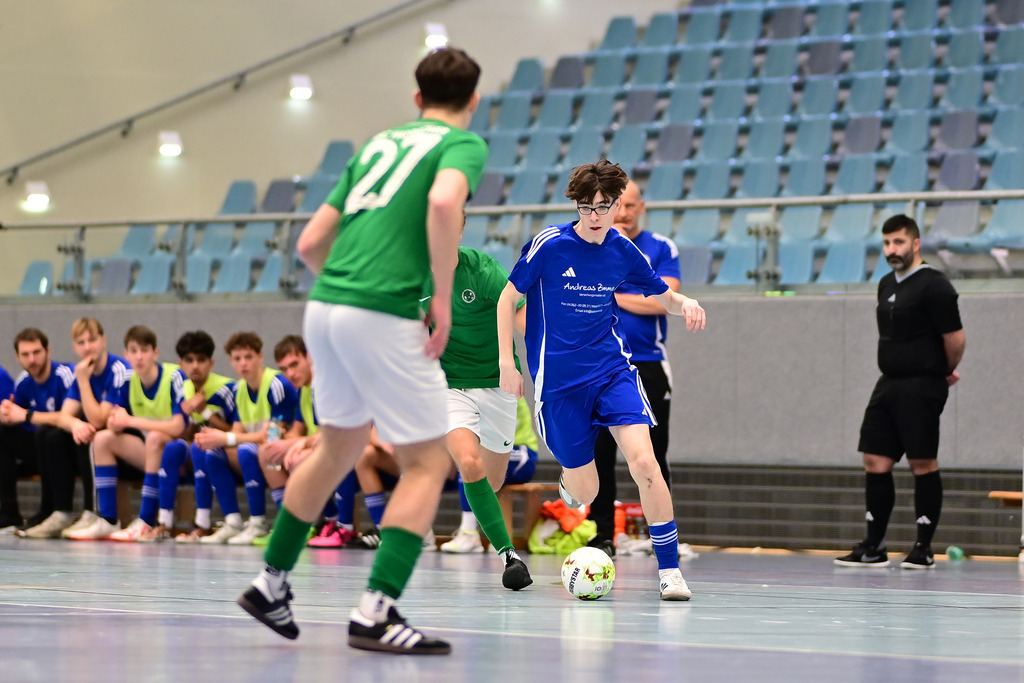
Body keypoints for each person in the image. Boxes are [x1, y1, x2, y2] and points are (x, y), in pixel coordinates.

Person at [237, 46, 487, 655]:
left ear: (415, 96)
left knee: (337, 448)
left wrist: (345, 302)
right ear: (474, 101)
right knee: (429, 463)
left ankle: (270, 583)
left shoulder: (379, 143)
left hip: (324, 306)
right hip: (381, 311)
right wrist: (441, 300)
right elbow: (443, 202)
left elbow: (311, 242)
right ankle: (376, 612)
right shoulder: (462, 145)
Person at [496, 159, 705, 601]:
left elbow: (660, 294)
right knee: (587, 488)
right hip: (558, 385)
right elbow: (507, 299)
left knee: (645, 463)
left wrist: (684, 301)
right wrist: (507, 364)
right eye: (586, 207)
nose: (594, 217)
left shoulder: (623, 250)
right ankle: (571, 486)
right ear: (575, 204)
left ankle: (669, 573)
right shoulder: (549, 245)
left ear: (616, 206)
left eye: (603, 207)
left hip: (612, 371)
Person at [835, 214, 965, 570]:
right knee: (875, 460)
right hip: (889, 382)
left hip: (922, 384)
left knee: (922, 463)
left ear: (916, 244)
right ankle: (874, 546)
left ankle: (923, 547)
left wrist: (942, 371)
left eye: (899, 243)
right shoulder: (885, 284)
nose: (892, 250)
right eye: (887, 243)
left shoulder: (935, 285)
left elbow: (955, 339)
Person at [421, 235, 533, 588]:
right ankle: (509, 555)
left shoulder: (483, 270)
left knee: (491, 480)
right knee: (468, 463)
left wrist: (548, 360)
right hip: (451, 386)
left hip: (496, 386)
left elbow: (519, 314)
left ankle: (484, 529)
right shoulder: (415, 278)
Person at [586, 179, 682, 557]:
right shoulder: (591, 247)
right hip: (601, 365)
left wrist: (615, 296)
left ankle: (660, 535)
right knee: (599, 451)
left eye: (629, 206)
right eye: (615, 205)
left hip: (647, 362)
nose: (622, 213)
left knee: (653, 453)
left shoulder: (660, 247)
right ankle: (603, 533)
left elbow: (665, 299)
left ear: (641, 207)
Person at [68, 325, 187, 541]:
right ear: (126, 355)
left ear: (155, 353)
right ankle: (108, 520)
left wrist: (129, 420)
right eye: (133, 351)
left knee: (155, 437)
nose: (139, 357)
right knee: (102, 439)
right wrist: (115, 423)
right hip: (150, 454)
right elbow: (112, 419)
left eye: (144, 350)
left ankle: (146, 520)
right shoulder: (126, 380)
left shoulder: (173, 376)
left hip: (179, 456)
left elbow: (179, 427)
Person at [15, 319, 128, 538]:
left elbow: (98, 420)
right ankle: (61, 512)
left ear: (103, 340)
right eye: (81, 342)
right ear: (75, 347)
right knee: (53, 435)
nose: (87, 347)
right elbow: (65, 416)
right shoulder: (82, 372)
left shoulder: (118, 370)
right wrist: (75, 423)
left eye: (92, 340)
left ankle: (94, 512)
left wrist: (84, 381)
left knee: (90, 433)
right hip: (99, 443)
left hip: (122, 442)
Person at [193, 331, 297, 545]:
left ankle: (258, 523)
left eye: (248, 357)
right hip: (261, 453)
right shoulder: (240, 390)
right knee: (213, 452)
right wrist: (220, 438)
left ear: (260, 357)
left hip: (282, 453)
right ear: (230, 361)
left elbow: (273, 436)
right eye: (237, 358)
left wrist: (227, 438)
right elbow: (238, 433)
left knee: (245, 450)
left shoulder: (277, 384)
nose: (243, 363)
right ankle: (233, 522)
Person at [140, 330, 236, 542]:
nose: (195, 366)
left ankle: (202, 524)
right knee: (174, 448)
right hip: (199, 448)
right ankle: (164, 523)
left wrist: (204, 411)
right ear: (180, 364)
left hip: (225, 452)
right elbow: (186, 432)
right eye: (189, 360)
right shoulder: (184, 388)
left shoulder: (226, 388)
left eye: (201, 360)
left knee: (198, 447)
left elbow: (234, 432)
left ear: (211, 363)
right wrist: (189, 419)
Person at [0, 329, 76, 535]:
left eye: (37, 352)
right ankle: (8, 514)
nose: (32, 359)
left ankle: (55, 510)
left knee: (50, 435)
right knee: (3, 433)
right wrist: (7, 416)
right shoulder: (23, 382)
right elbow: (17, 417)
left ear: (48, 350)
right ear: (17, 356)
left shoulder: (65, 375)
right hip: (42, 450)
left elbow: (68, 419)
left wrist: (25, 415)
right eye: (25, 354)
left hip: (73, 449)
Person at [441, 396, 538, 554]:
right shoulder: (462, 389)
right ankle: (420, 535)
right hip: (493, 450)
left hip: (521, 453)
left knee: (468, 460)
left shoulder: (500, 385)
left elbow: (497, 432)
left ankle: (469, 533)